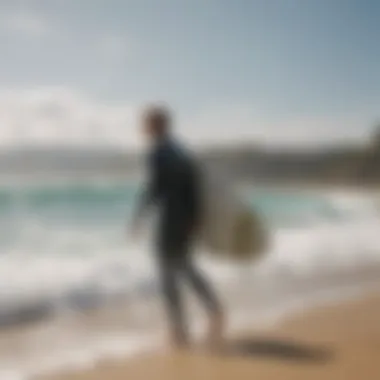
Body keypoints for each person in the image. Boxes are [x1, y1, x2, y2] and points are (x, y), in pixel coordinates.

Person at [131, 105, 224, 350]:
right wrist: (196, 218)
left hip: (170, 222)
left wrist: (138, 216)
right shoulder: (181, 151)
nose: (143, 128)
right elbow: (194, 186)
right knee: (185, 268)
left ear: (155, 126)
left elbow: (154, 189)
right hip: (185, 221)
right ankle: (214, 311)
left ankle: (179, 330)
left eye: (146, 123)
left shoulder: (158, 153)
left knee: (168, 276)